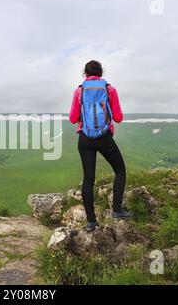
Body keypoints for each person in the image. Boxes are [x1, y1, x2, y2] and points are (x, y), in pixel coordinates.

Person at [69, 60, 130, 232]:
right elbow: (118, 118)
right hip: (104, 137)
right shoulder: (109, 90)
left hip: (85, 139)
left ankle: (91, 222)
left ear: (85, 74)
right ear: (101, 73)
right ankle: (117, 210)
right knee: (120, 170)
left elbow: (73, 118)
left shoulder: (79, 91)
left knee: (88, 179)